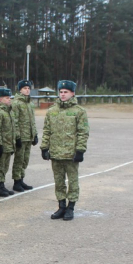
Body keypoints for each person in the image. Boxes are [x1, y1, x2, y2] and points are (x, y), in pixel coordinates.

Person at [40, 80, 89, 221]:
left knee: (73, 182)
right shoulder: (52, 111)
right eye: (61, 92)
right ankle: (61, 206)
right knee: (59, 182)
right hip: (55, 153)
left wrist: (80, 151)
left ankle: (71, 207)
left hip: (71, 154)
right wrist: (44, 148)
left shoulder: (79, 112)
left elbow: (83, 132)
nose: (62, 94)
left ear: (72, 93)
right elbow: (47, 131)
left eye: (65, 92)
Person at [11, 79, 38, 192]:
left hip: (28, 136)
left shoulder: (30, 104)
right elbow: (14, 121)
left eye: (28, 88)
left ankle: (21, 179)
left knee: (25, 160)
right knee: (19, 159)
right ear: (20, 90)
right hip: (21, 137)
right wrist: (17, 137)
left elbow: (32, 121)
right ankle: (16, 181)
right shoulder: (16, 103)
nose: (27, 90)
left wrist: (35, 134)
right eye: (24, 88)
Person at [0, 86, 17, 196]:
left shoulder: (9, 111)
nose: (9, 99)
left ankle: (1, 185)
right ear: (0, 99)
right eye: (6, 98)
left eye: (9, 97)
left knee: (5, 166)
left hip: (9, 144)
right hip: (2, 144)